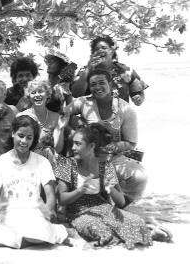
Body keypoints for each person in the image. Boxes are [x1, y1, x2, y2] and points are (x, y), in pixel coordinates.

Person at [54, 124, 170, 249]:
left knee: (135, 221)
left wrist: (111, 190)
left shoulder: (106, 166)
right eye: (73, 143)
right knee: (102, 232)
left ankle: (144, 231)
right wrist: (80, 191)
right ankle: (137, 234)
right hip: (77, 213)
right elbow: (62, 199)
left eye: (78, 144)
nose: (73, 148)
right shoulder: (67, 164)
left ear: (92, 146)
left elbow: (121, 203)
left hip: (103, 208)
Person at [64, 69, 147, 204]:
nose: (97, 87)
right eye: (93, 84)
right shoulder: (84, 102)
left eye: (101, 83)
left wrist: (112, 147)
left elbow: (131, 142)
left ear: (110, 84)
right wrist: (74, 129)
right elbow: (63, 114)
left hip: (113, 157)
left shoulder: (125, 108)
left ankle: (122, 205)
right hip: (86, 157)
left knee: (139, 177)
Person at [0, 115, 69, 248]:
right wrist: (1, 208)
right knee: (2, 238)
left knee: (39, 232)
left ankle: (41, 234)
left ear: (33, 139)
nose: (24, 141)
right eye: (21, 135)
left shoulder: (42, 162)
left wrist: (48, 211)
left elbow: (50, 195)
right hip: (10, 213)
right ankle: (30, 237)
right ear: (13, 133)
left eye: (29, 137)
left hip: (35, 212)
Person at [71, 35, 148, 106]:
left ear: (111, 51)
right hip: (93, 119)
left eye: (104, 48)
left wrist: (139, 99)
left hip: (121, 118)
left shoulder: (126, 71)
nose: (100, 50)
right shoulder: (85, 70)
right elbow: (76, 94)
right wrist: (88, 69)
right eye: (96, 49)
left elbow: (139, 92)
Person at [16, 80, 67, 160]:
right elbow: (18, 147)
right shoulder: (21, 117)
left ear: (47, 95)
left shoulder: (56, 117)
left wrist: (61, 128)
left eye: (40, 91)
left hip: (49, 163)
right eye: (33, 92)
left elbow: (58, 149)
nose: (37, 95)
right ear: (29, 96)